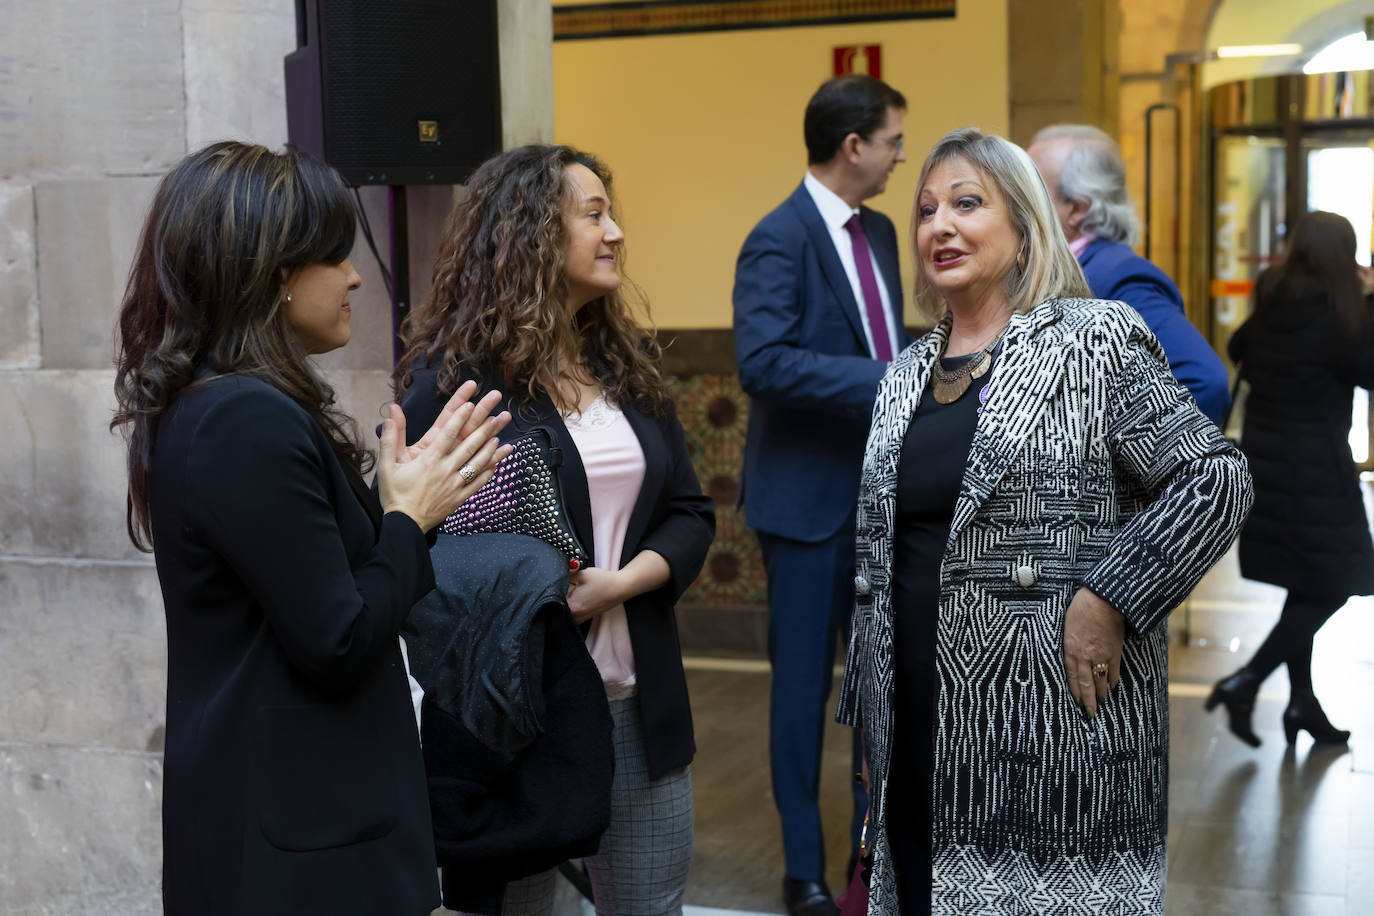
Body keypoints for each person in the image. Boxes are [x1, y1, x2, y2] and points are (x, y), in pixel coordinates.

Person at [837, 127, 1252, 914]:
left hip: (1047, 727)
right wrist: (868, 722)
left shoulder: (1094, 340)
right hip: (917, 725)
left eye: (967, 204)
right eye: (926, 210)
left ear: (1026, 227)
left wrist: (1111, 597)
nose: (939, 226)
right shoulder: (904, 373)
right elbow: (882, 560)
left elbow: (1215, 479)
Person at [110, 141, 513, 916]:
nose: (356, 275)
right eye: (334, 256)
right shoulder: (243, 418)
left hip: (282, 821)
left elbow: (305, 571)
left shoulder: (218, 406)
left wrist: (398, 503)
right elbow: (338, 639)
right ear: (272, 274)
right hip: (300, 841)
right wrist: (407, 517)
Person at [395, 144, 715, 915]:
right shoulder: (461, 385)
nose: (615, 235)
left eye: (614, 215)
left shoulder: (627, 365)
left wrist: (622, 583)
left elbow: (690, 514)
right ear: (532, 234)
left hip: (642, 702)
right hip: (522, 716)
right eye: (594, 215)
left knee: (650, 904)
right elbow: (428, 549)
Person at [732, 73, 910, 916]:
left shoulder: (879, 233)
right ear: (854, 147)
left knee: (882, 690)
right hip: (804, 510)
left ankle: (868, 864)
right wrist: (888, 378)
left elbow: (888, 335)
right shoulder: (777, 237)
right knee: (801, 697)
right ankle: (801, 870)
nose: (899, 157)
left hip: (882, 503)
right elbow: (761, 362)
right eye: (893, 142)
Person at [1206, 210, 1374, 748]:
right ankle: (1246, 679)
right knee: (1339, 581)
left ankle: (1302, 705)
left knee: (1305, 585)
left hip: (1266, 471)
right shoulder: (1338, 311)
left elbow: (1239, 348)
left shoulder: (1274, 299)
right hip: (1317, 475)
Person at [1027, 123, 1230, 423]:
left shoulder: (1120, 277)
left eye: (1033, 189)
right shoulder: (1072, 270)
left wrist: (1117, 458)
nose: (1017, 202)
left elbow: (1205, 384)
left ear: (1078, 208)